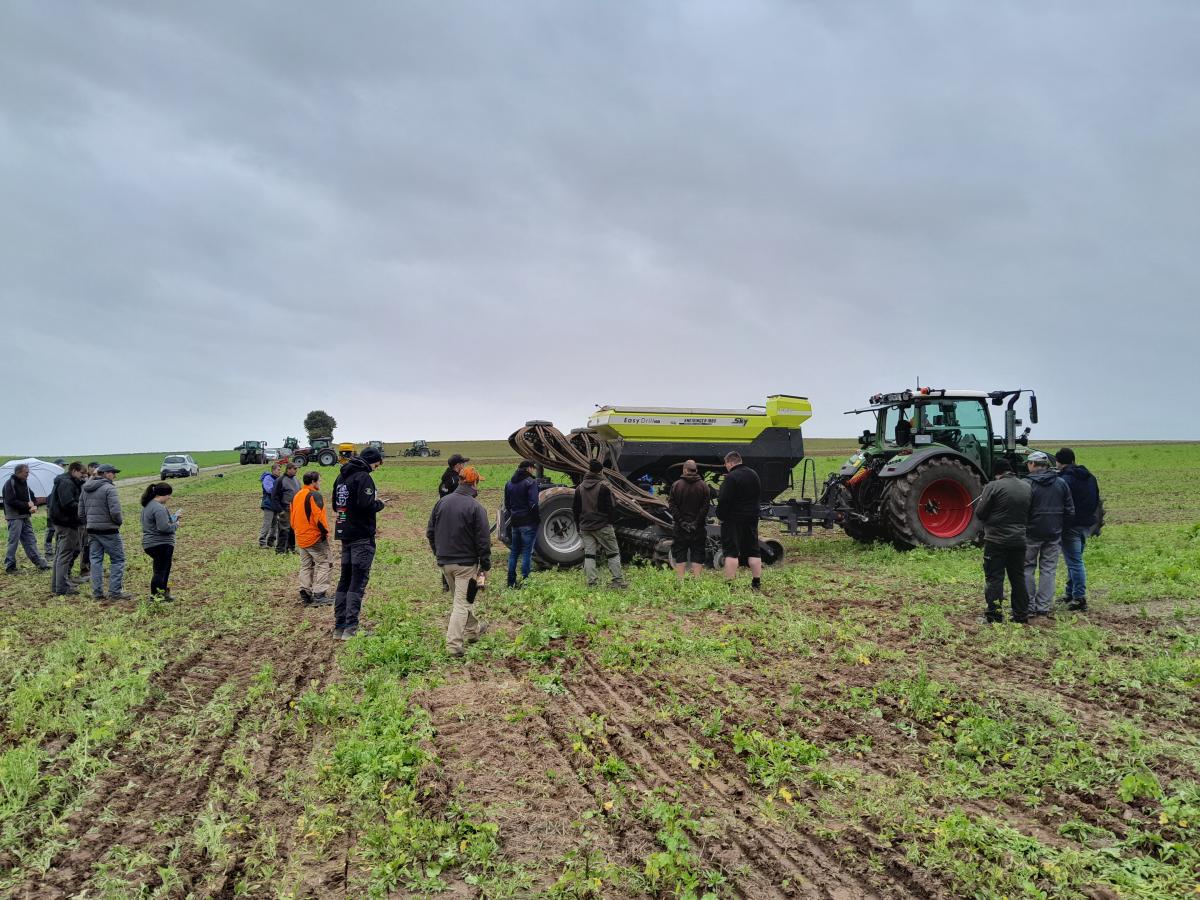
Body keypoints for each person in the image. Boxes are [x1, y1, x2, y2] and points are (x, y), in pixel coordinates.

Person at [427, 465, 492, 657]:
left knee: (461, 600)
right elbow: (483, 540)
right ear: (475, 482)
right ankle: (454, 645)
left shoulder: (442, 503)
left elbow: (430, 532)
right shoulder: (476, 507)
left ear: (460, 480)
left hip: (445, 563)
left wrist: (438, 553)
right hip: (465, 565)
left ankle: (473, 631)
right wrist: (485, 564)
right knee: (462, 604)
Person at [332, 447, 387, 639]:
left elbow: (335, 505)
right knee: (357, 582)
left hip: (345, 533)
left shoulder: (341, 478)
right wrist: (379, 503)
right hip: (361, 536)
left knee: (345, 580)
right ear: (372, 461)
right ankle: (351, 629)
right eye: (377, 465)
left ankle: (339, 627)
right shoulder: (363, 477)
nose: (376, 469)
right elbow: (366, 504)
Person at [974, 459, 1032, 624]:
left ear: (997, 473)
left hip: (996, 541)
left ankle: (994, 616)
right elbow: (1030, 511)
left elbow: (980, 513)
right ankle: (1021, 615)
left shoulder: (993, 486)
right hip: (1019, 540)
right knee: (1018, 578)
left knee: (994, 578)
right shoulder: (1026, 486)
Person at [1024, 450, 1074, 619]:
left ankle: (1028, 605)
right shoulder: (1061, 483)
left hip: (1030, 533)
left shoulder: (1027, 484)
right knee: (1048, 570)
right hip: (1054, 533)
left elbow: (1021, 510)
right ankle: (1043, 607)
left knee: (1027, 568)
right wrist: (1059, 526)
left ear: (1032, 464)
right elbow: (1070, 510)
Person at [1056, 448, 1100, 612]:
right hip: (1086, 524)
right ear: (1074, 460)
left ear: (1059, 462)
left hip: (1071, 525)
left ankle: (1079, 598)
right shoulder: (1090, 477)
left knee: (1074, 562)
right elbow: (1096, 499)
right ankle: (1070, 593)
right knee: (1073, 560)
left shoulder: (1065, 480)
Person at [572, 459, 627, 589]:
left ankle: (592, 583)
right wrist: (610, 522)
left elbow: (575, 510)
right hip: (602, 526)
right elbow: (611, 508)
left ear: (589, 470)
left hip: (585, 527)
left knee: (589, 555)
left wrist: (578, 526)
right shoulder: (604, 487)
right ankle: (617, 581)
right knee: (613, 552)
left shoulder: (579, 488)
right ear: (601, 471)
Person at [79, 464, 130, 601]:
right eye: (113, 473)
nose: (115, 476)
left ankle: (97, 593)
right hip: (109, 530)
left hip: (92, 530)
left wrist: (89, 523)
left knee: (95, 561)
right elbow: (115, 511)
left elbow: (81, 512)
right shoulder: (109, 488)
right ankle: (115, 592)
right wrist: (118, 522)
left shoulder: (85, 489)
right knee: (118, 559)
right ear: (106, 473)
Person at [717, 451, 763, 590]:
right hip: (752, 518)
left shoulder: (731, 477)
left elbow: (724, 500)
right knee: (754, 551)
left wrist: (721, 515)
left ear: (730, 462)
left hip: (733, 520)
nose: (726, 467)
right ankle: (756, 582)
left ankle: (729, 585)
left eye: (726, 464)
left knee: (731, 552)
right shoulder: (754, 474)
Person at [292, 470, 334, 607]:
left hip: (300, 536)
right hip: (314, 537)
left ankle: (305, 591)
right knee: (324, 562)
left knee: (306, 565)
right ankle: (320, 594)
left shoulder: (297, 495)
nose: (320, 483)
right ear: (313, 482)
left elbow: (292, 517)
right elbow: (319, 518)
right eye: (319, 481)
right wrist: (325, 533)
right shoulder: (314, 495)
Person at [47, 462, 87, 595]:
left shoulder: (68, 481)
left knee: (61, 554)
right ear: (74, 471)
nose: (83, 476)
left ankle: (56, 586)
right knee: (64, 555)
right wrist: (83, 506)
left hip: (63, 522)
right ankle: (62, 588)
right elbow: (68, 504)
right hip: (67, 523)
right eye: (82, 473)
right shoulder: (66, 483)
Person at [4, 463, 51, 574]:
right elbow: (10, 501)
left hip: (25, 516)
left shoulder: (25, 483)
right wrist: (27, 505)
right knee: (13, 542)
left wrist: (34, 505)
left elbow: (32, 498)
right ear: (18, 472)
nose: (28, 475)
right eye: (26, 473)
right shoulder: (9, 484)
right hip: (14, 517)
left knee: (30, 540)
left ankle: (40, 563)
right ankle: (10, 566)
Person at [669, 460, 713, 577]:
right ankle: (697, 580)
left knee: (680, 553)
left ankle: (680, 580)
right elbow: (705, 508)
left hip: (680, 528)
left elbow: (672, 506)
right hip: (698, 528)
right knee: (698, 552)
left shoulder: (676, 485)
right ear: (696, 471)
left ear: (684, 470)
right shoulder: (704, 486)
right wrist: (695, 523)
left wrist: (682, 522)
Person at [140, 482, 181, 601]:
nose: (170, 498)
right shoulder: (158, 508)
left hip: (151, 543)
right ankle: (156, 597)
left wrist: (172, 519)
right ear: (162, 495)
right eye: (169, 495)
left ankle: (162, 594)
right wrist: (175, 525)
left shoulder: (148, 506)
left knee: (160, 569)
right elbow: (164, 527)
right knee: (161, 571)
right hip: (160, 544)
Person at [503, 459, 540, 588]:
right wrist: (536, 518)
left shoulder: (509, 483)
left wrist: (514, 514)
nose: (533, 470)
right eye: (532, 468)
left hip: (515, 522)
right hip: (528, 522)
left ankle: (511, 581)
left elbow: (507, 505)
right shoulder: (530, 483)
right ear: (528, 468)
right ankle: (525, 581)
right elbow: (534, 503)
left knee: (514, 552)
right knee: (527, 552)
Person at [271, 463, 300, 554]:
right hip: (285, 508)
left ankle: (291, 548)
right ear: (288, 469)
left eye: (297, 468)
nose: (296, 470)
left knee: (292, 529)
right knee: (284, 530)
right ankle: (280, 550)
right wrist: (280, 511)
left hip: (295, 509)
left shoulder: (296, 480)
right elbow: (274, 497)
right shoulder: (280, 480)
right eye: (294, 468)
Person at [78, 462, 100, 577]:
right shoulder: (84, 482)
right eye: (94, 468)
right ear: (89, 469)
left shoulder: (95, 481)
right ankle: (84, 568)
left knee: (92, 544)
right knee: (85, 545)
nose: (96, 471)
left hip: (93, 518)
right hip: (85, 519)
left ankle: (91, 566)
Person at [44, 459, 66, 558]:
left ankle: (58, 552)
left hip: (60, 505)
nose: (64, 467)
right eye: (62, 465)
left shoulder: (64, 476)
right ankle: (48, 552)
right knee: (50, 530)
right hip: (51, 503)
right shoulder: (50, 476)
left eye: (64, 465)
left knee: (59, 532)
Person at [259, 463, 281, 548]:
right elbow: (269, 490)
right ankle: (262, 542)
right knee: (267, 524)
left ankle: (271, 541)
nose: (279, 471)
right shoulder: (268, 478)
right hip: (268, 504)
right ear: (273, 470)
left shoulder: (278, 479)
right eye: (278, 470)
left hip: (275, 505)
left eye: (280, 470)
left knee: (275, 525)